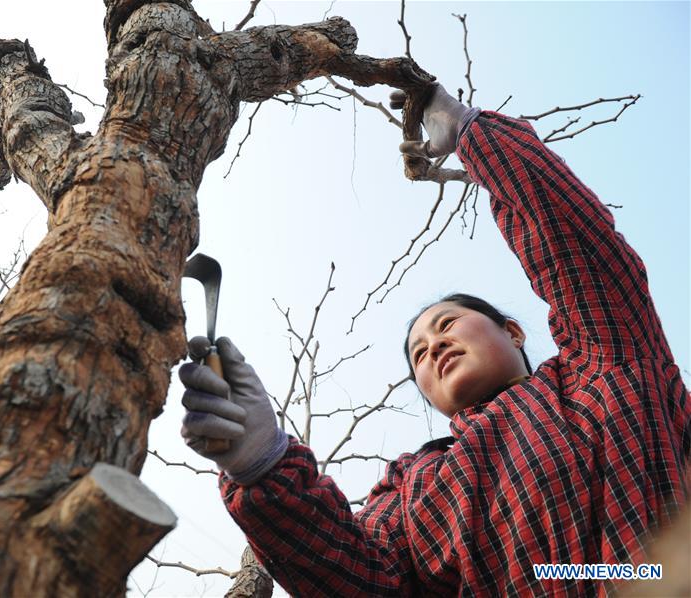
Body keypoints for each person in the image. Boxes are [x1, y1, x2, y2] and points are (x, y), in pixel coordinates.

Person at [178, 83, 690, 596]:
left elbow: (580, 249)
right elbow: (360, 578)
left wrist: (471, 132)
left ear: (512, 331)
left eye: (447, 325)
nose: (434, 347)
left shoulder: (604, 366)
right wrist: (262, 465)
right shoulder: (411, 486)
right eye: (419, 354)